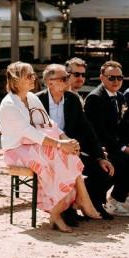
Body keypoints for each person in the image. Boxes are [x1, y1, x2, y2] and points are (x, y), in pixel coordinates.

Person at [0, 61, 100, 232]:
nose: (34, 78)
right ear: (17, 80)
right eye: (29, 76)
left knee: (66, 153)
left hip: (35, 146)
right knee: (56, 154)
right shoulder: (9, 104)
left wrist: (65, 138)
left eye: (33, 75)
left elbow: (49, 123)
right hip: (16, 150)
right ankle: (77, 201)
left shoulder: (31, 98)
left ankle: (60, 209)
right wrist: (60, 144)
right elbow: (29, 132)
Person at [37, 64, 113, 219]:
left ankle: (93, 204)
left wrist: (100, 156)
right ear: (50, 82)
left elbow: (87, 128)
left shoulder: (72, 99)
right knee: (68, 168)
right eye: (64, 78)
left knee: (103, 170)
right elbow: (35, 131)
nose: (68, 80)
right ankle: (66, 210)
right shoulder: (37, 101)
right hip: (47, 151)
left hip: (70, 150)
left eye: (68, 77)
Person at [83, 61, 129, 216]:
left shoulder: (120, 97)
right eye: (112, 78)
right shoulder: (95, 98)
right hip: (100, 146)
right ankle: (113, 201)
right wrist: (123, 148)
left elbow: (125, 126)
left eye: (120, 78)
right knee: (126, 161)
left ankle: (126, 198)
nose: (116, 81)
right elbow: (99, 131)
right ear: (102, 78)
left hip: (115, 143)